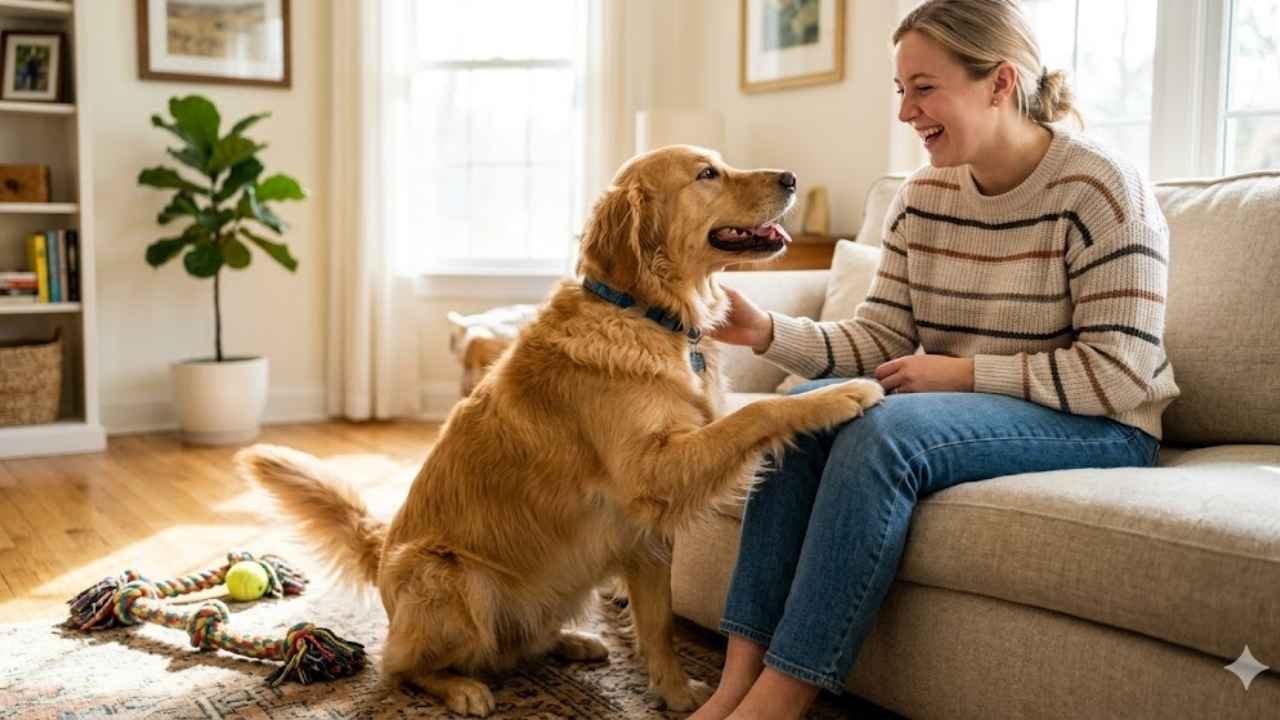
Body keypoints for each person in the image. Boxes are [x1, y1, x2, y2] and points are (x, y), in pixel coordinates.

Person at [691, 1, 1180, 718]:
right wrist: (765, 330)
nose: (906, 113)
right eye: (900, 91)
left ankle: (778, 701)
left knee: (881, 432)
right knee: (803, 412)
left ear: (999, 83)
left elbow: (1118, 372)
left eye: (924, 88)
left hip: (1107, 423)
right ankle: (736, 683)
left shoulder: (1103, 189)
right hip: (986, 411)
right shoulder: (923, 198)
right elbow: (877, 341)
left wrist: (964, 373)